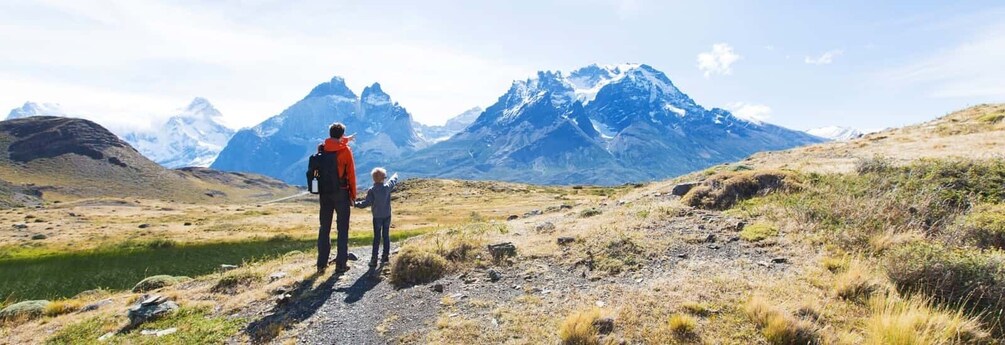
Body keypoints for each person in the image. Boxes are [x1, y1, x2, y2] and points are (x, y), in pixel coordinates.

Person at [307, 123, 358, 274]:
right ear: (342, 135)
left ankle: (321, 264)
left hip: (324, 193)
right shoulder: (345, 151)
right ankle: (341, 264)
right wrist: (353, 195)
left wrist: (344, 139)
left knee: (325, 228)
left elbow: (331, 145)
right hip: (341, 193)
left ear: (330, 133)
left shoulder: (322, 148)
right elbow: (351, 175)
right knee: (342, 229)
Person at [354, 168, 399, 267]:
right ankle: (385, 257)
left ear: (373, 179)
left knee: (377, 238)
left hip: (377, 217)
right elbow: (393, 181)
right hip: (387, 215)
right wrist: (396, 175)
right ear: (383, 179)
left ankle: (374, 259)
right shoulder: (387, 187)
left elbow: (366, 203)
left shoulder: (372, 190)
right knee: (386, 236)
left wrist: (355, 204)